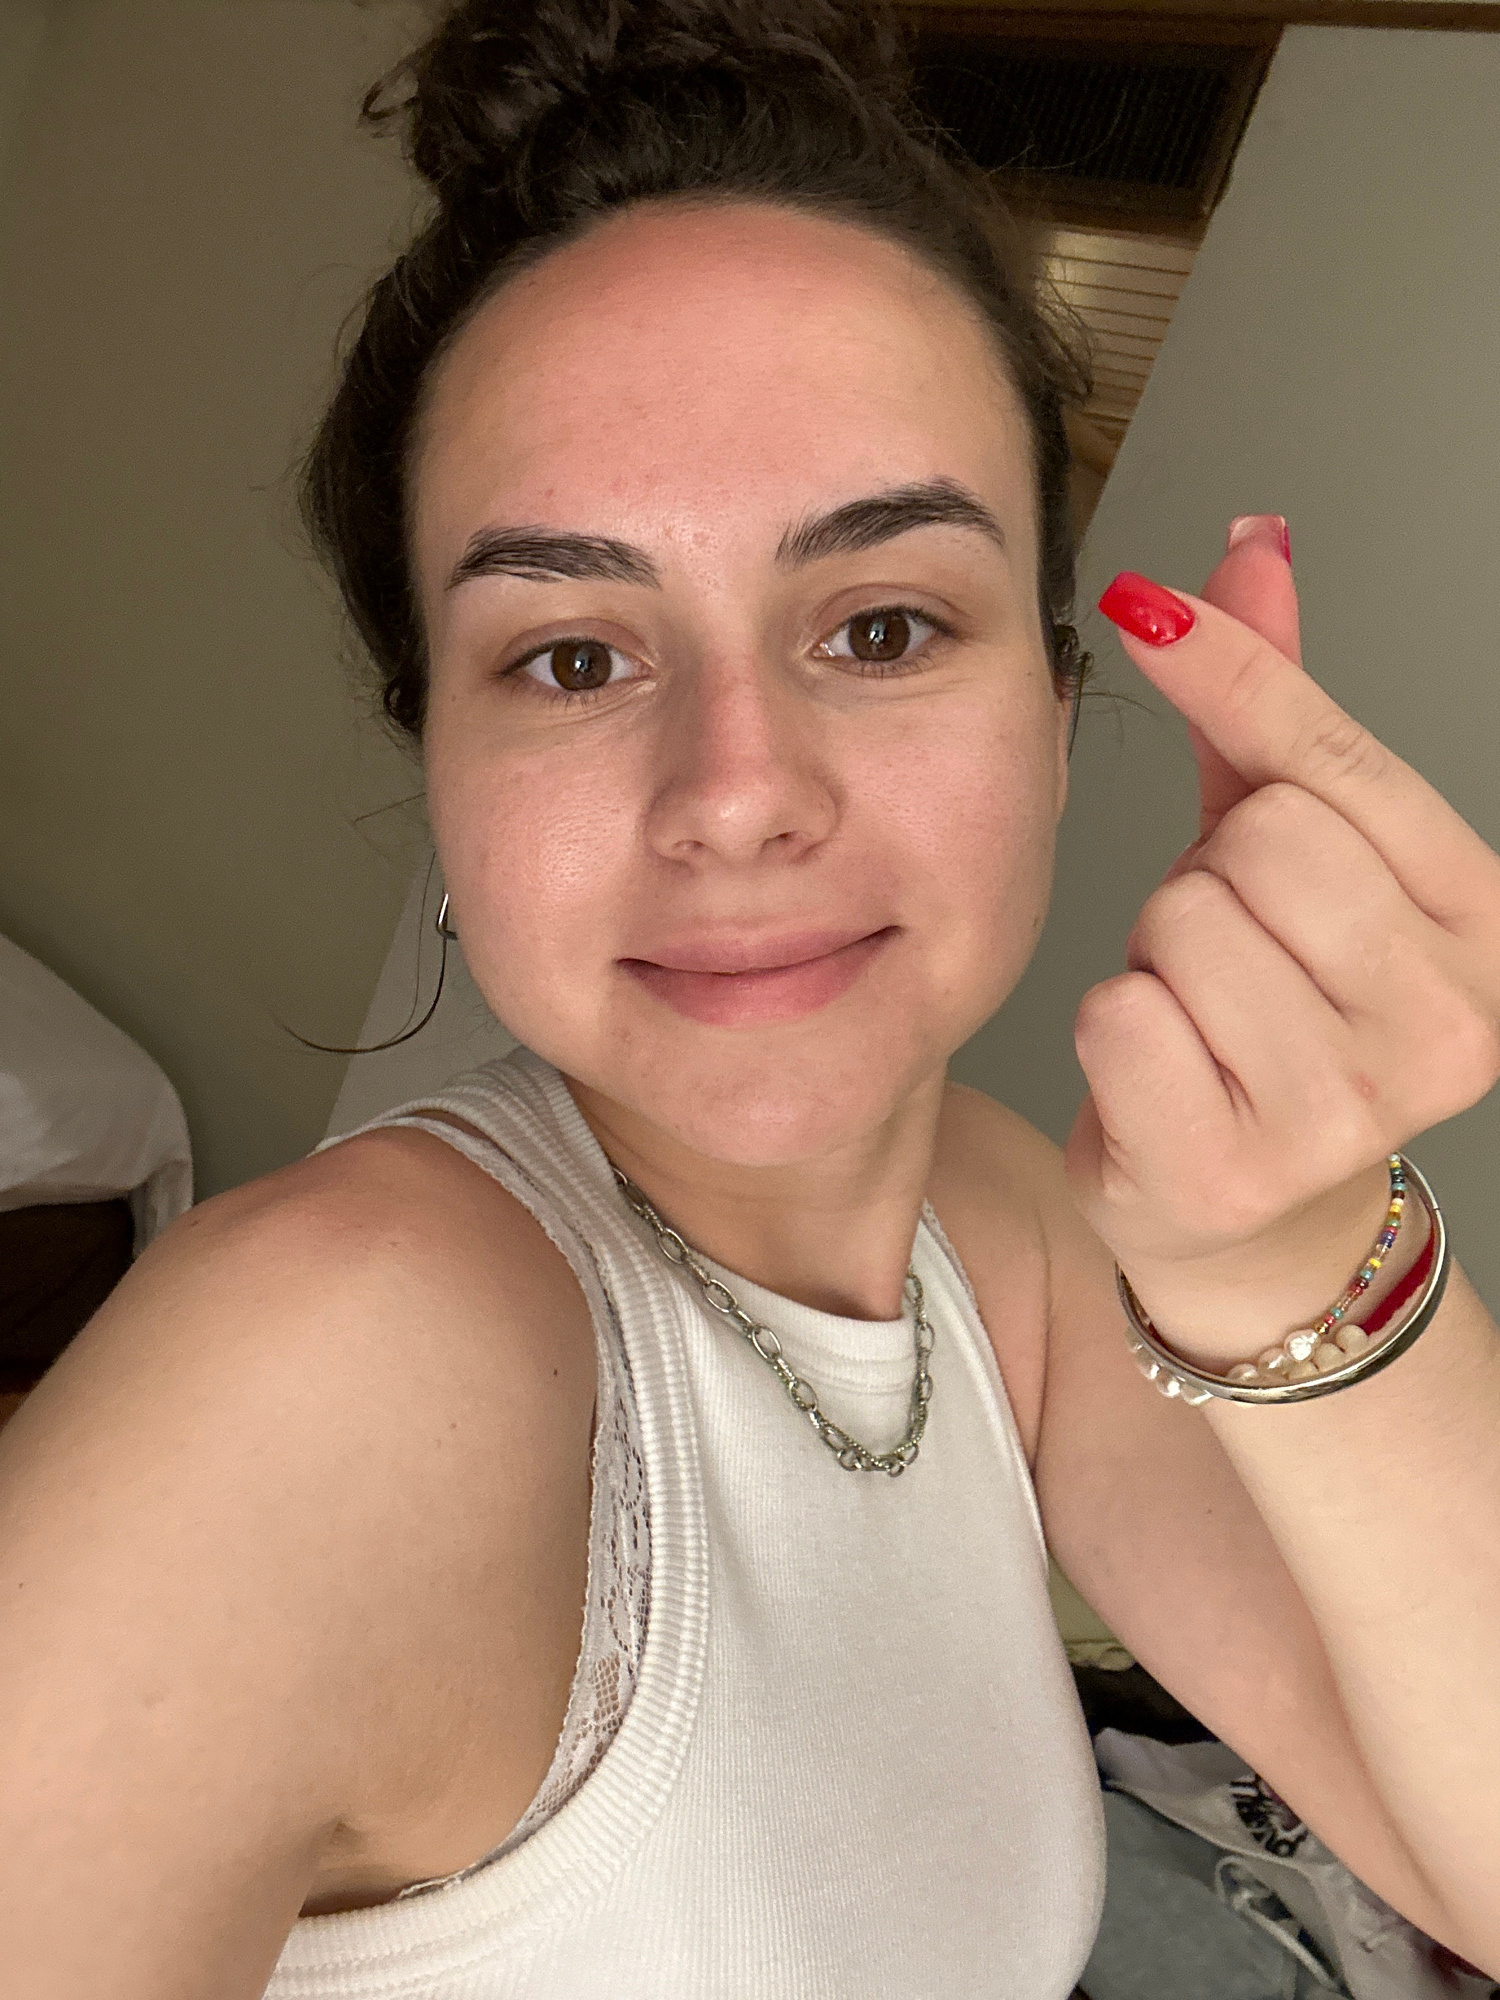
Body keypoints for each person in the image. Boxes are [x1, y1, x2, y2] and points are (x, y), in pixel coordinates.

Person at [2, 2, 1498, 1994]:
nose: (734, 793)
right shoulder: (309, 1382)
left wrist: (1300, 1256)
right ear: (441, 767)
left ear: (1059, 720)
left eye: (880, 626)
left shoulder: (1001, 1223)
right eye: (571, 658)